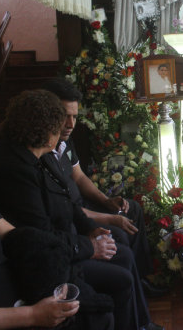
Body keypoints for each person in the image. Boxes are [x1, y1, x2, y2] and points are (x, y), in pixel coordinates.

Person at [0, 90, 162, 330]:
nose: (66, 127)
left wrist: (92, 230)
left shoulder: (36, 155)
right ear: (47, 128)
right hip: (40, 264)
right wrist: (88, 247)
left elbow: (68, 204)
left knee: (121, 252)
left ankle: (141, 323)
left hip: (60, 245)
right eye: (61, 122)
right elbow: (41, 236)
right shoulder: (13, 170)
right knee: (120, 278)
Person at [42, 78, 165, 297]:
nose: (70, 124)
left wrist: (106, 201)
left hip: (82, 204)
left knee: (132, 209)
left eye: (75, 117)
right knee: (119, 230)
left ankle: (142, 278)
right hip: (75, 217)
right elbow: (68, 210)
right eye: (64, 116)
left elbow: (79, 177)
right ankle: (133, 286)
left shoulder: (65, 141)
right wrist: (110, 218)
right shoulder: (43, 152)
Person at [0, 171, 113, 330]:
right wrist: (32, 315)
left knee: (100, 317)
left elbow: (11, 233)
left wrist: (55, 272)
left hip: (20, 282)